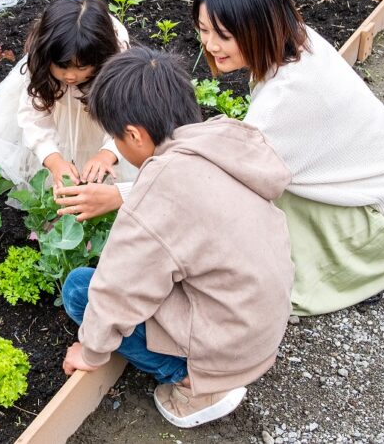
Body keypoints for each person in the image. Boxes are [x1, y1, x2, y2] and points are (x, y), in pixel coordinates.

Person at [57, 0, 384, 315]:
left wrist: (120, 195)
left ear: (259, 26)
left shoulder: (286, 100)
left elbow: (216, 184)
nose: (210, 45)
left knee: (257, 287)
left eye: (223, 35)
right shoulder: (297, 42)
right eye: (204, 30)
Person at [61, 46, 293, 429]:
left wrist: (90, 350)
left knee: (81, 291)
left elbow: (119, 287)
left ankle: (193, 384)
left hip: (225, 351)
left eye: (115, 139)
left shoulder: (160, 187)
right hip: (262, 322)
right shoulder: (223, 143)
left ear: (134, 135)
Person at [0, 0, 136, 188]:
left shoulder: (115, 65)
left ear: (100, 59)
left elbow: (124, 117)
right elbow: (34, 118)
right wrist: (54, 160)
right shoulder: (42, 66)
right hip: (54, 98)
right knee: (52, 169)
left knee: (108, 171)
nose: (70, 76)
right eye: (62, 67)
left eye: (81, 68)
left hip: (101, 105)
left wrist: (107, 154)